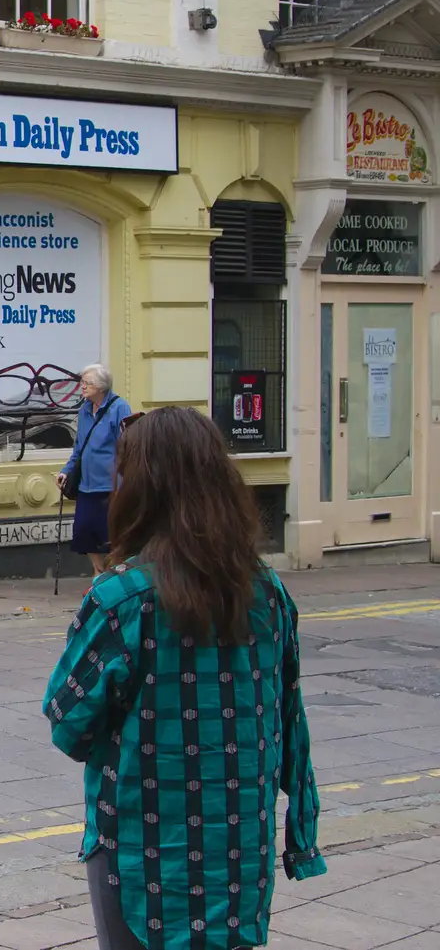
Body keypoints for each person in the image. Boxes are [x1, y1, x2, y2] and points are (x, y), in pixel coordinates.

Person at [42, 406, 325, 949]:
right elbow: (289, 717)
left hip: (137, 847)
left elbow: (67, 723)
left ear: (140, 489)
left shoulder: (121, 599)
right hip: (240, 844)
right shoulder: (267, 593)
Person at [55, 364, 133, 575]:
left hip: (110, 486)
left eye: (87, 383)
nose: (82, 387)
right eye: (82, 383)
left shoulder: (120, 408)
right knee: (85, 534)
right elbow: (79, 448)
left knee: (110, 536)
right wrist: (66, 470)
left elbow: (127, 447)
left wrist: (123, 480)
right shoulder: (84, 411)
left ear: (101, 386)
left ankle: (111, 576)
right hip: (86, 486)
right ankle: (98, 574)